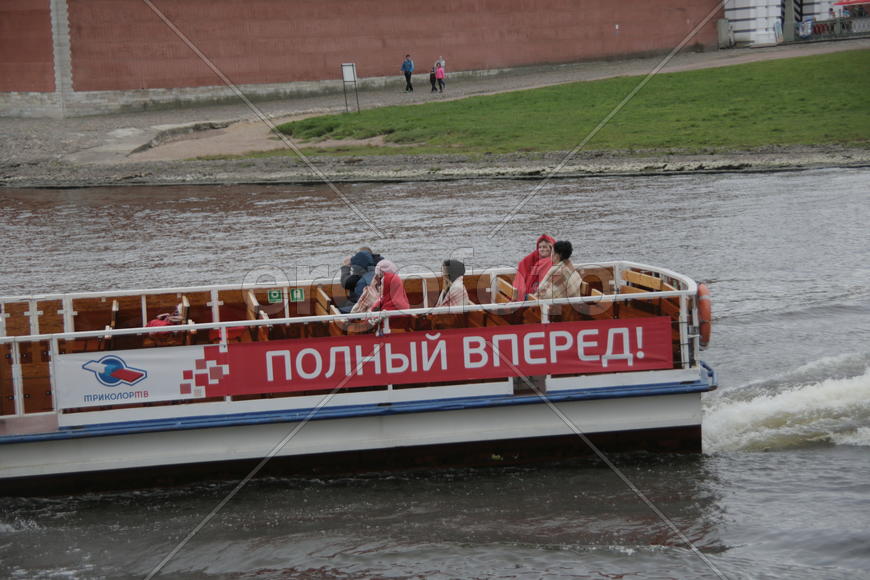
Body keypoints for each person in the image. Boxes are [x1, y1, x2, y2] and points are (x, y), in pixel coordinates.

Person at [338, 247, 381, 313]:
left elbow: (346, 282)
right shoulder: (378, 271)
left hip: (362, 306)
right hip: (376, 305)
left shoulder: (358, 276)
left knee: (337, 310)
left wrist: (345, 267)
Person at [514, 234, 555, 299]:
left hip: (541, 296)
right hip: (534, 294)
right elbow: (523, 264)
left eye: (544, 247)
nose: (541, 249)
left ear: (551, 249)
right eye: (540, 247)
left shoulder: (551, 262)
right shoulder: (537, 260)